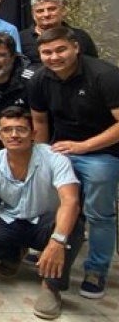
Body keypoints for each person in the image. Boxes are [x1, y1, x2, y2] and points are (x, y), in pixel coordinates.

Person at [0, 107, 84, 320]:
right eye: (7, 130)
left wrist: (57, 241)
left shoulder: (55, 158)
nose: (14, 135)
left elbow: (71, 202)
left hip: (46, 223)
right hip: (11, 218)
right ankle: (13, 253)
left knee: (73, 228)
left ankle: (51, 287)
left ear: (33, 133)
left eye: (21, 129)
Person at [29, 26, 119, 299]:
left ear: (75, 47)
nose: (54, 57)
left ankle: (96, 269)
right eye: (47, 52)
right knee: (49, 203)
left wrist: (84, 147)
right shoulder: (40, 78)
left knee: (98, 213)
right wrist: (41, 155)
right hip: (61, 149)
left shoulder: (105, 75)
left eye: (60, 50)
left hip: (102, 152)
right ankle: (44, 247)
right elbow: (40, 121)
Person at [19, 0, 98, 66]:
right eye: (40, 11)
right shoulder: (21, 38)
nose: (46, 14)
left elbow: (92, 65)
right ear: (33, 15)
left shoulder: (80, 36)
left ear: (62, 11)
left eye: (52, 9)